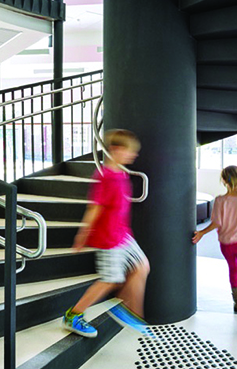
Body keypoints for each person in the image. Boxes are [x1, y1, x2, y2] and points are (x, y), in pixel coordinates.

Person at [62, 129, 150, 338]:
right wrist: (82, 235)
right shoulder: (106, 177)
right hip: (109, 238)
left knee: (142, 265)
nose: (134, 155)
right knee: (110, 280)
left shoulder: (120, 174)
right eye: (130, 151)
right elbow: (95, 208)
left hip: (123, 234)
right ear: (116, 150)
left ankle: (128, 311)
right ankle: (73, 315)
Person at [192, 165, 237, 322]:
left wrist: (202, 233)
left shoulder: (220, 200)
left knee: (233, 269)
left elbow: (217, 222)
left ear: (223, 180)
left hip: (225, 245)